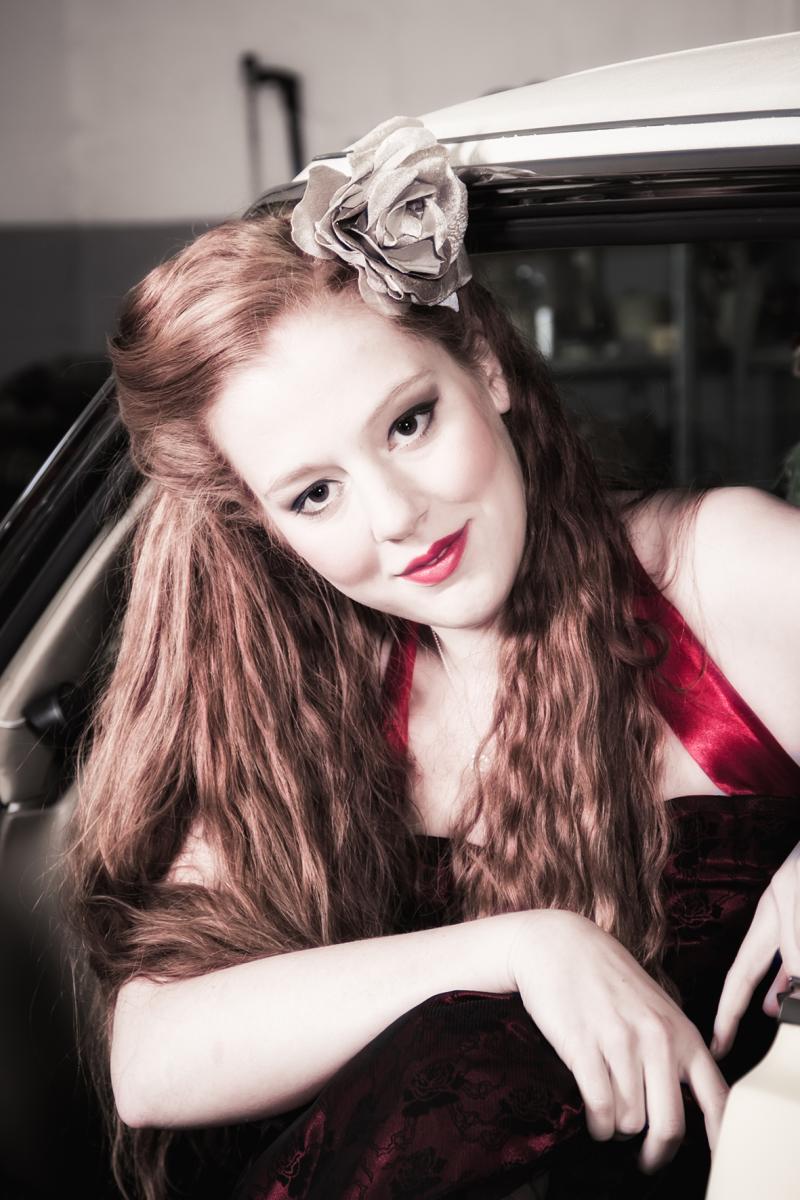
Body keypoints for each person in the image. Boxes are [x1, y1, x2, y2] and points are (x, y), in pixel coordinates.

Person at [61, 116, 800, 1200]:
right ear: (270, 529)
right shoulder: (322, 694)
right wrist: (519, 951)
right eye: (315, 494)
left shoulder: (716, 570)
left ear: (485, 365)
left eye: (408, 423)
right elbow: (154, 1060)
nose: (397, 515)